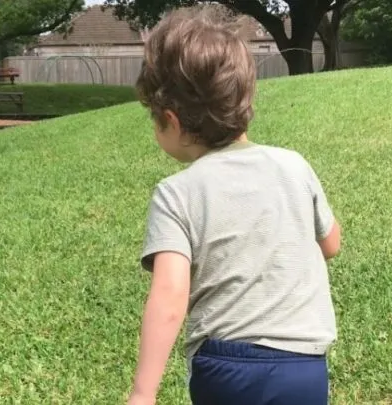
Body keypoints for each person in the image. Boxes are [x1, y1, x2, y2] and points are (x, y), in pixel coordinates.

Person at [126, 5, 342, 405]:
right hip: (305, 365)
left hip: (225, 367)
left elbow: (170, 294)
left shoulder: (177, 192)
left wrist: (143, 393)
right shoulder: (293, 164)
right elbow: (331, 244)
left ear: (171, 122)